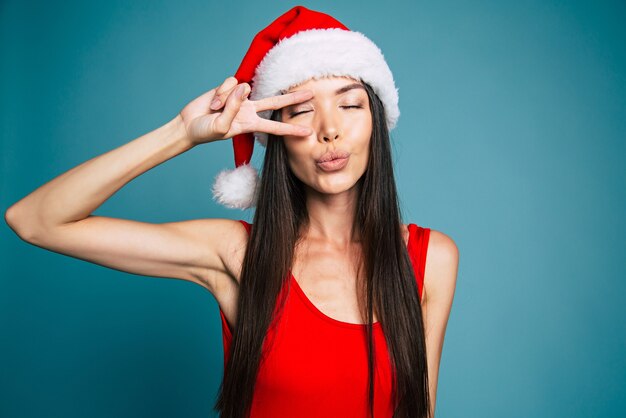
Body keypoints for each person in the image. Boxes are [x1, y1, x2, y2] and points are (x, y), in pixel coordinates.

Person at [4, 5, 459, 418]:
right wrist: (181, 133)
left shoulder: (430, 258)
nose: (329, 130)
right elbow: (36, 221)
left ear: (377, 120)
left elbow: (422, 409)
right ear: (274, 135)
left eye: (349, 103)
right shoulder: (237, 252)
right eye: (300, 110)